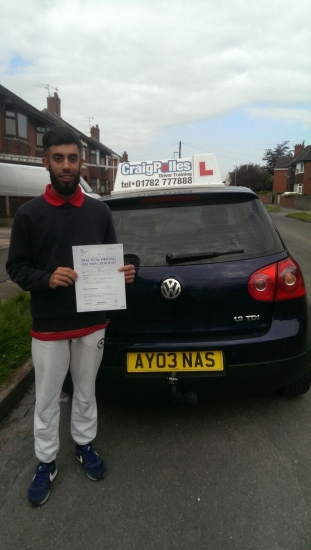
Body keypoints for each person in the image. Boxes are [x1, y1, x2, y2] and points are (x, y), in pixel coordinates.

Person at [6, 126, 135, 507]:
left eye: (72, 159)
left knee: (86, 392)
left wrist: (126, 269)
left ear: (81, 164)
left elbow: (114, 256)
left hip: (92, 323)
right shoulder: (29, 214)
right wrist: (46, 278)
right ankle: (46, 462)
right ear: (46, 162)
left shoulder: (99, 210)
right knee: (46, 400)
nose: (66, 166)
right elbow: (16, 267)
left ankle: (84, 444)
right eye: (58, 159)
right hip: (49, 326)